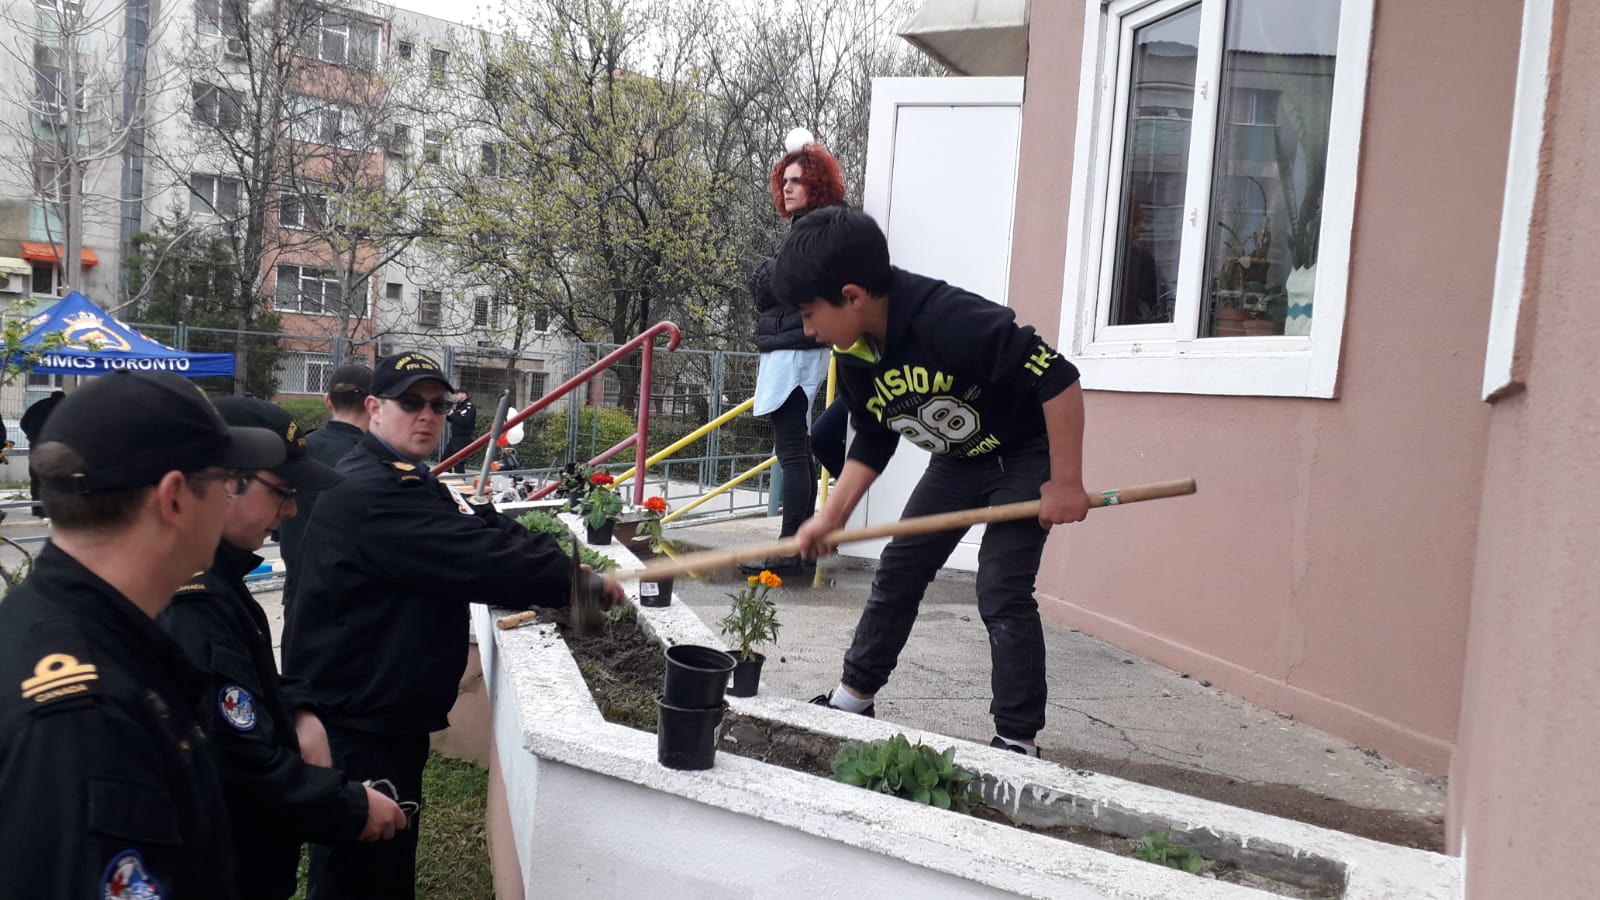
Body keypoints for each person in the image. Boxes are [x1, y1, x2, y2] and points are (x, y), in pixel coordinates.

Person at [282, 351, 625, 899]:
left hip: (383, 710)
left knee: (386, 861)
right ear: (374, 408)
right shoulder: (370, 492)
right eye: (410, 403)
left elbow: (480, 524)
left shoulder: (412, 479)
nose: (427, 416)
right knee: (361, 874)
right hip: (358, 720)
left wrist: (570, 567)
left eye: (438, 405)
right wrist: (570, 582)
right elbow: (476, 559)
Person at [774, 207, 1092, 757]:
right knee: (900, 568)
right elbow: (874, 437)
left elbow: (1058, 378)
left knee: (1001, 587)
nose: (808, 330)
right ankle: (853, 700)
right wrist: (832, 517)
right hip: (958, 460)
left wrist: (1065, 482)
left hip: (1023, 454)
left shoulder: (948, 319)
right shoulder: (855, 354)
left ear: (852, 296)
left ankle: (1017, 739)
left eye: (809, 314)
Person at [0, 370, 286, 896]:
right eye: (226, 480)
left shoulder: (90, 629)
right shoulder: (82, 719)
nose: (230, 498)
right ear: (174, 498)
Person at [159, 397, 409, 900]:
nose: (291, 510)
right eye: (282, 492)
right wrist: (351, 807)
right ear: (225, 482)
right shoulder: (191, 602)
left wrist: (296, 707)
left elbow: (247, 679)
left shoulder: (220, 579)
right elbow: (237, 766)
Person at [740, 132, 847, 575]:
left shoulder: (813, 228)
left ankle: (790, 551)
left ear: (816, 184)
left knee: (792, 451)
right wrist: (769, 275)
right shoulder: (808, 227)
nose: (787, 187)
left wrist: (765, 273)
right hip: (794, 348)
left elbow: (773, 285)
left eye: (797, 180)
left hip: (795, 350)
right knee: (797, 447)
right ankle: (798, 548)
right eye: (784, 180)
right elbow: (774, 282)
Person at [277, 362, 372, 645]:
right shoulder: (374, 460)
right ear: (373, 405)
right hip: (354, 602)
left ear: (328, 401)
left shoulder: (300, 450)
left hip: (299, 593)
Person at [19, 388, 65, 517]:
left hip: (37, 446)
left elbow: (23, 422)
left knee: (36, 478)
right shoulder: (67, 407)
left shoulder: (38, 405)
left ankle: (37, 509)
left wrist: (32, 436)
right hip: (56, 447)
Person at [442, 389, 476, 473]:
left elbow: (463, 421)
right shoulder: (459, 407)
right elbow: (455, 420)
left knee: (458, 464)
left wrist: (452, 414)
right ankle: (447, 479)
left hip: (463, 439)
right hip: (455, 439)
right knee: (445, 461)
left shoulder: (469, 407)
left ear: (464, 395)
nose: (455, 396)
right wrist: (447, 414)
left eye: (457, 394)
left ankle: (460, 480)